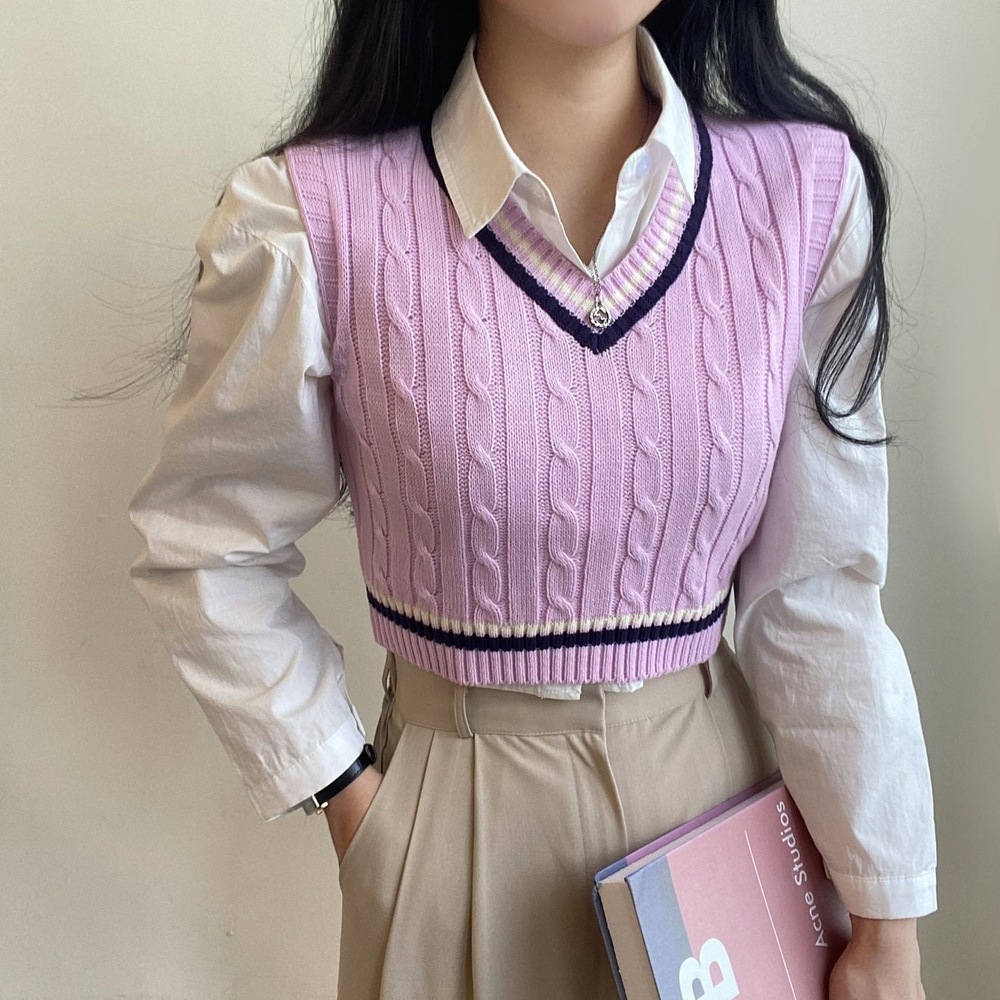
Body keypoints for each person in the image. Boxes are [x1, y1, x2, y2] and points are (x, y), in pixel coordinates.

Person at [123, 1, 937, 997]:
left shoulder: (802, 197)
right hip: (449, 823)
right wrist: (353, 800)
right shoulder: (311, 216)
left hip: (727, 826)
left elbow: (821, 593)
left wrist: (887, 916)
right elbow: (205, 543)